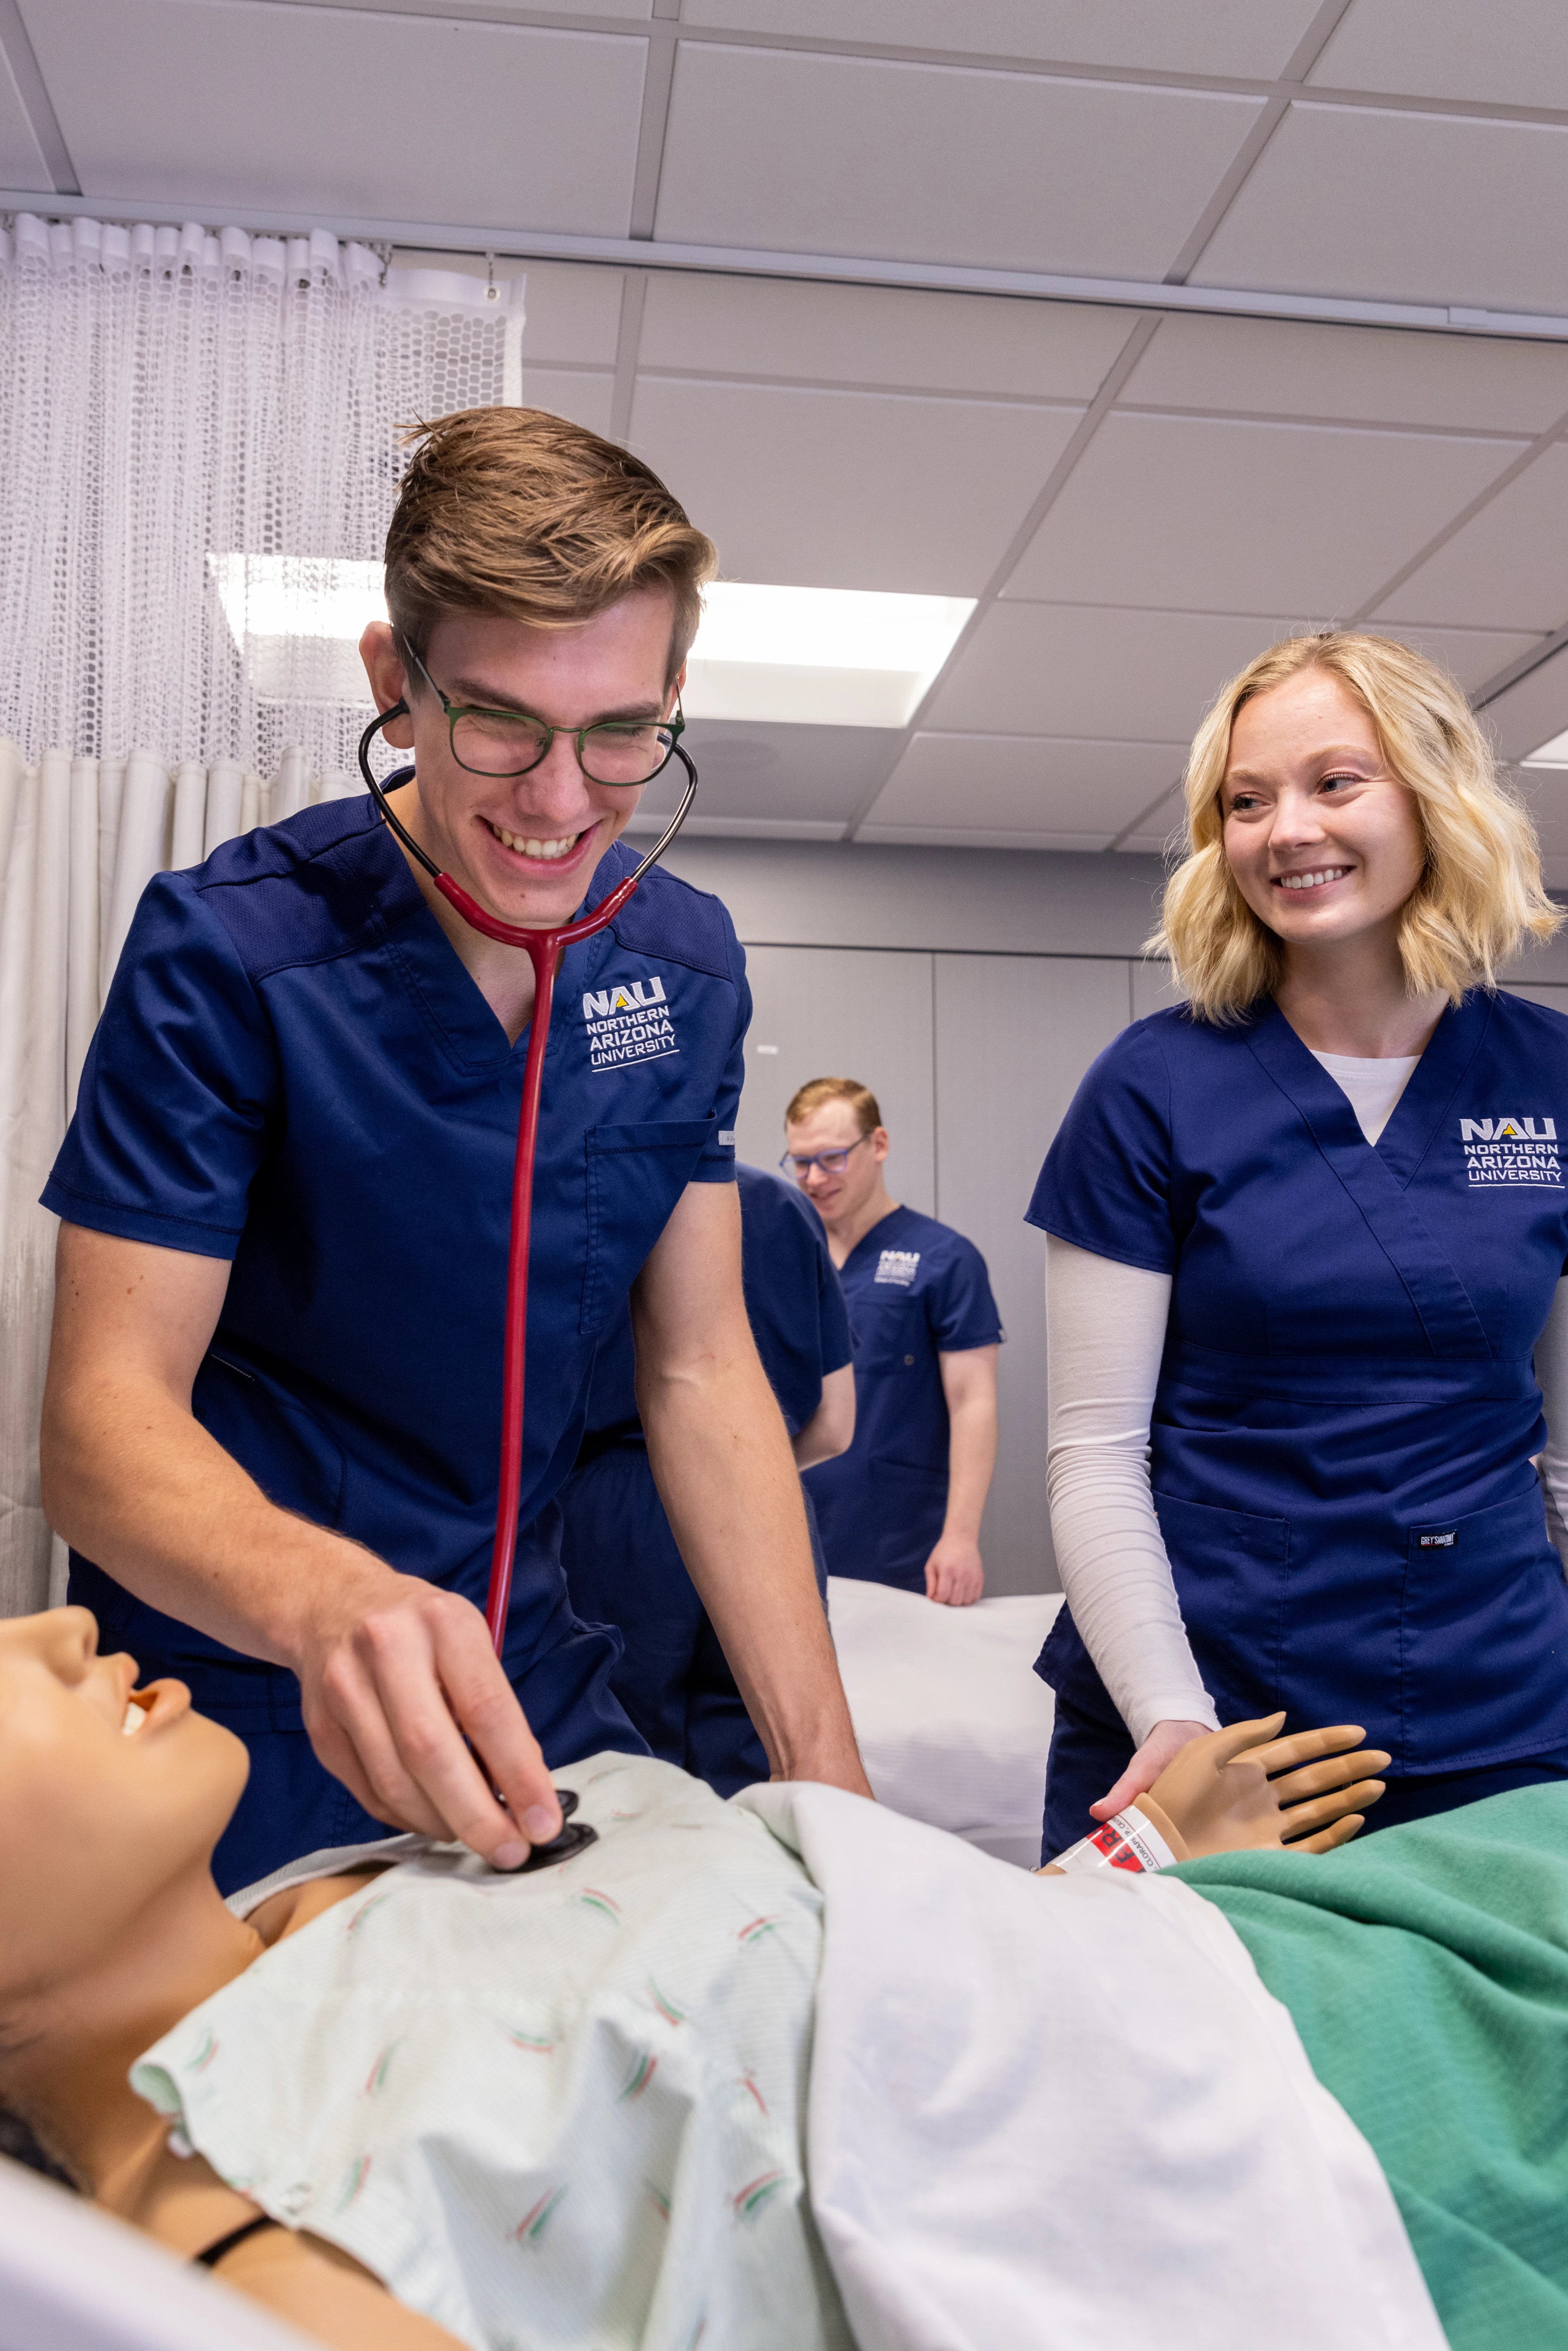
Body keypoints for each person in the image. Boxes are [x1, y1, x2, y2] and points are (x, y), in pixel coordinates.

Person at [37, 407, 868, 1898]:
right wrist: (324, 1602)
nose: (560, 804)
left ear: (673, 694)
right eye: (500, 723)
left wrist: (835, 1795)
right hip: (242, 1694)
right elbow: (102, 1427)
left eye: (620, 732)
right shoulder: (233, 951)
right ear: (392, 685)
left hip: (530, 1693)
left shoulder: (679, 966)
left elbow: (697, 1370)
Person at [0, 1605, 1406, 2351]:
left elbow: (776, 2028)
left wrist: (1124, 1862)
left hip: (1210, 1954)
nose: (57, 1630)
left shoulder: (303, 1901)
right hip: (1322, 2113)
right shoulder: (243, 2237)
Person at [1028, 629, 1568, 1862]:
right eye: (1244, 801)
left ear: (1431, 802)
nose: (1285, 830)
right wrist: (1170, 1724)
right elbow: (1093, 1453)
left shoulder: (1541, 1078)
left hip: (1498, 1697)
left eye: (1334, 782)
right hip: (1216, 1698)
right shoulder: (1152, 1085)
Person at [558, 1161, 855, 1794]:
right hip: (770, 1505)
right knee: (770, 1776)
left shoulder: (602, 1186)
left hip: (612, 1513)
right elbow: (835, 1423)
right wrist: (746, 1481)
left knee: (624, 1777)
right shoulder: (788, 1208)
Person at [787, 1079, 1002, 1603]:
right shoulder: (787, 1259)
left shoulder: (945, 1259)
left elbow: (973, 1402)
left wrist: (960, 1537)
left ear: (877, 1145)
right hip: (791, 1528)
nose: (814, 1178)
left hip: (896, 1538)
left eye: (832, 1158)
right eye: (800, 1162)